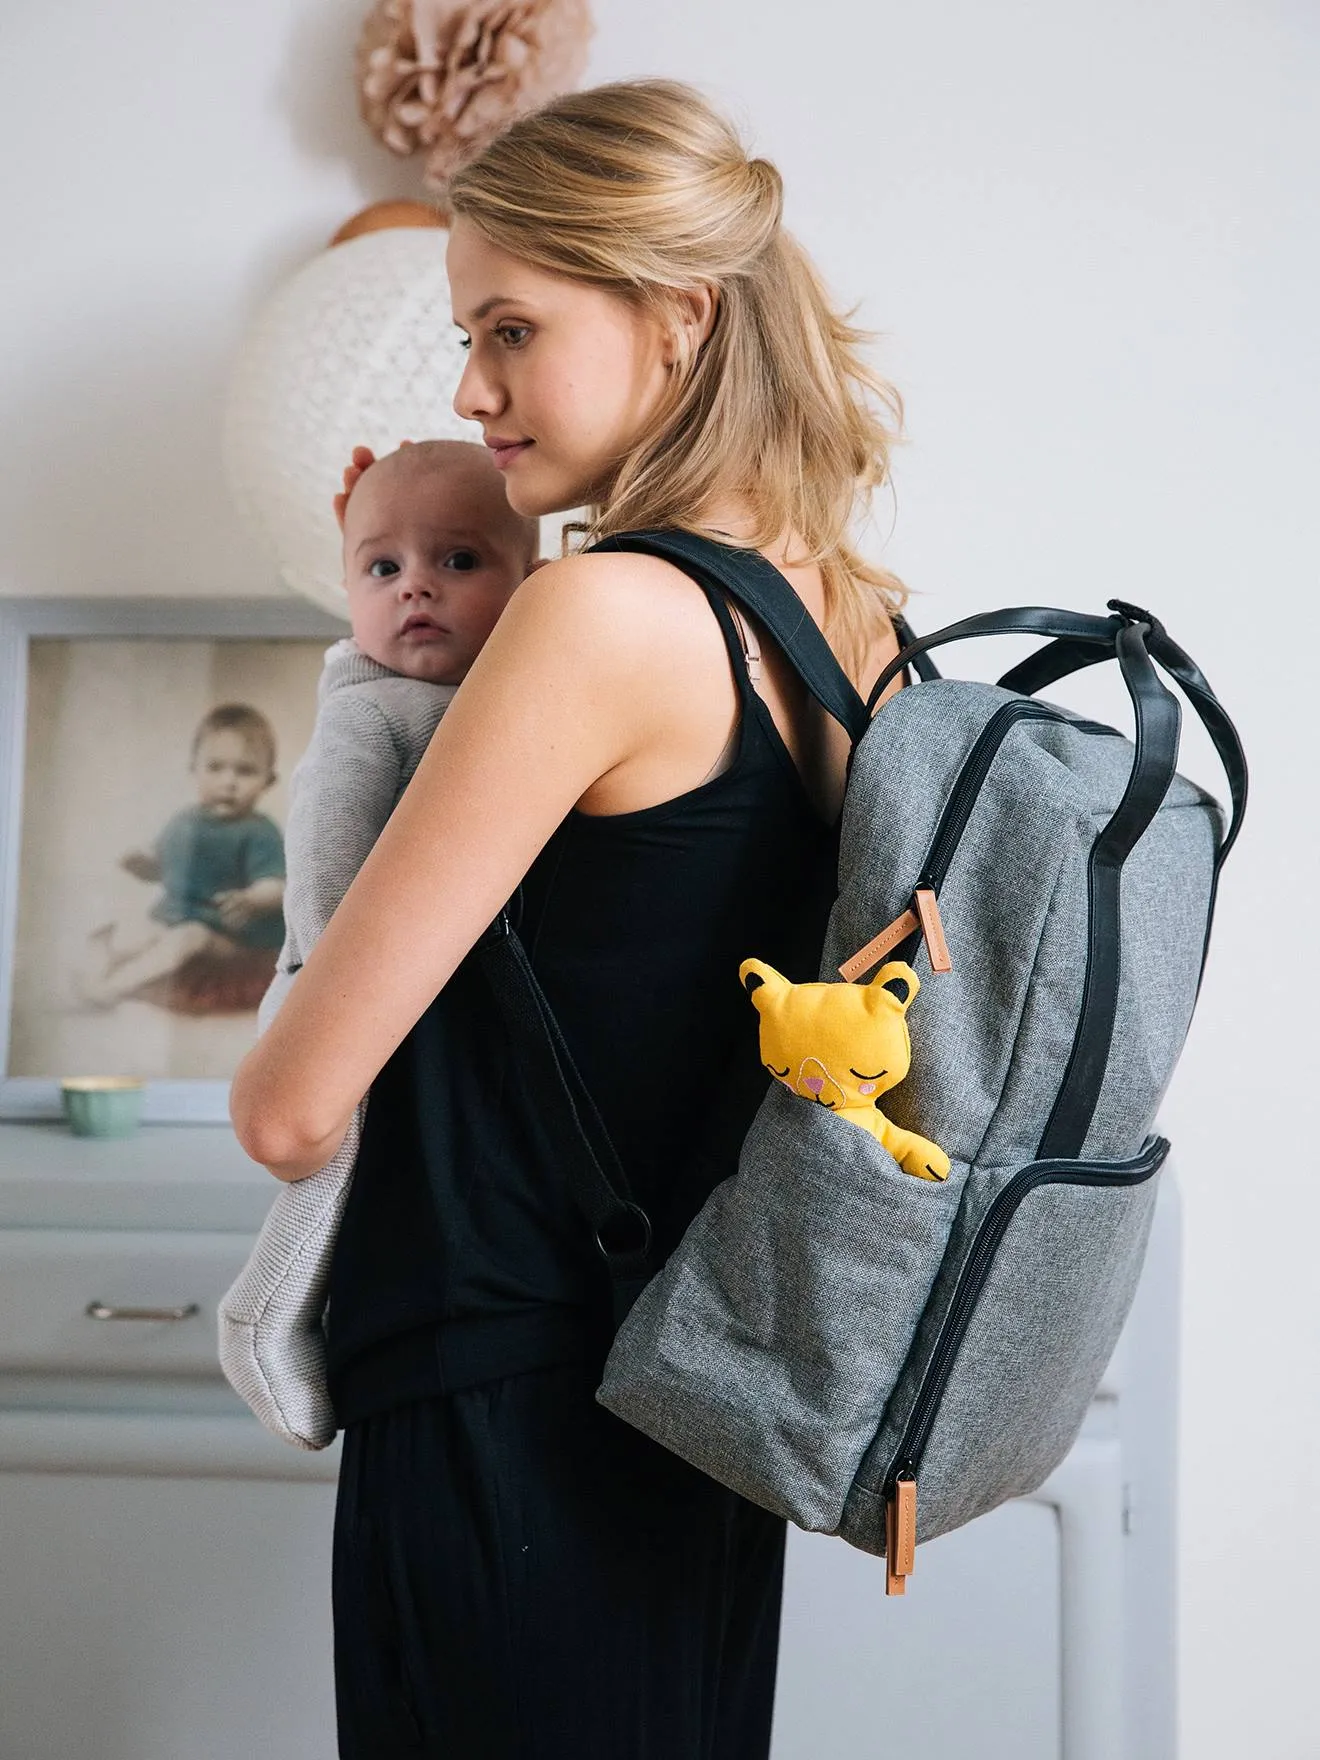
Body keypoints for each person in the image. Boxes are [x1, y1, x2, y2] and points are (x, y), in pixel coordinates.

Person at [230, 78, 908, 1760]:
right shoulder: (855, 617)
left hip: (498, 1395)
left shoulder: (595, 614)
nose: (472, 390)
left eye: (509, 328)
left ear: (677, 314)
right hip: (702, 1393)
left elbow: (290, 1107)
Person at [221, 437, 539, 1447]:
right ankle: (263, 1314)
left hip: (405, 994)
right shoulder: (375, 710)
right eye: (382, 567)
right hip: (336, 993)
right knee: (339, 1151)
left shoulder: (498, 701)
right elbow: (325, 872)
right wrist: (344, 1000)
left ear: (532, 575)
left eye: (459, 560)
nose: (416, 591)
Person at [83, 702, 285, 1009]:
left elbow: (277, 884)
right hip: (176, 917)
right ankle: (104, 963)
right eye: (215, 768)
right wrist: (146, 866)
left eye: (245, 771)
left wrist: (253, 899)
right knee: (137, 931)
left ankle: (114, 987)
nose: (228, 782)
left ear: (267, 780)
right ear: (194, 769)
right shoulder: (183, 822)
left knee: (188, 937)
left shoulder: (259, 831)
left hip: (231, 937)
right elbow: (166, 868)